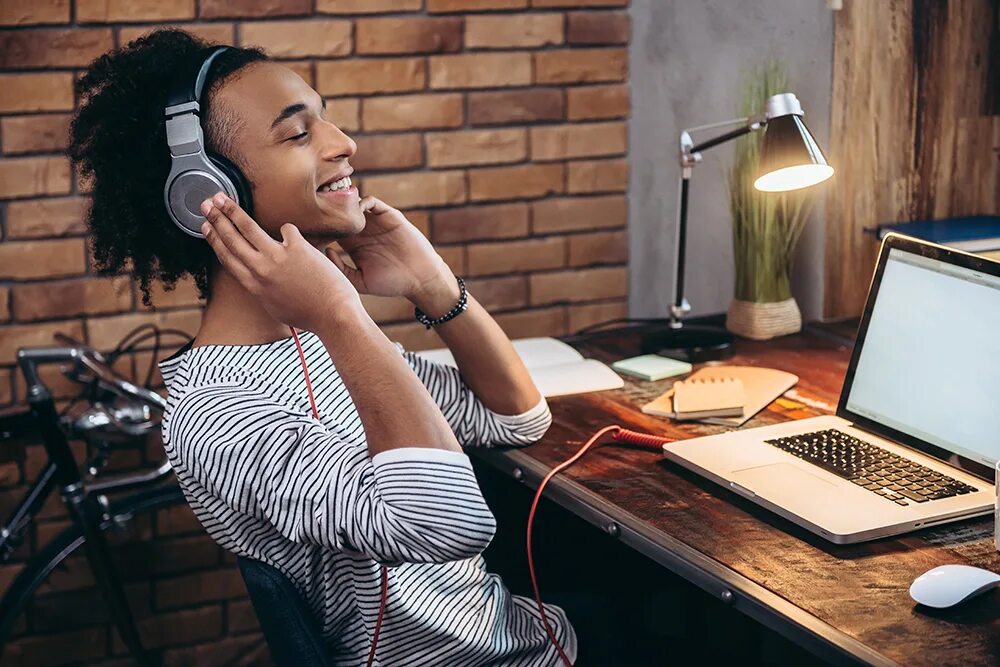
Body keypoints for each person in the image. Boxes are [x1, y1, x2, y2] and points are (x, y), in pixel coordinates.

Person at [68, 29, 579, 666]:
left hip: (537, 641)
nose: (344, 144)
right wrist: (342, 312)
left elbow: (517, 417)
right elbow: (450, 524)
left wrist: (433, 285)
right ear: (204, 188)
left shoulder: (317, 348)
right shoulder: (215, 416)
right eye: (298, 133)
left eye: (325, 121)